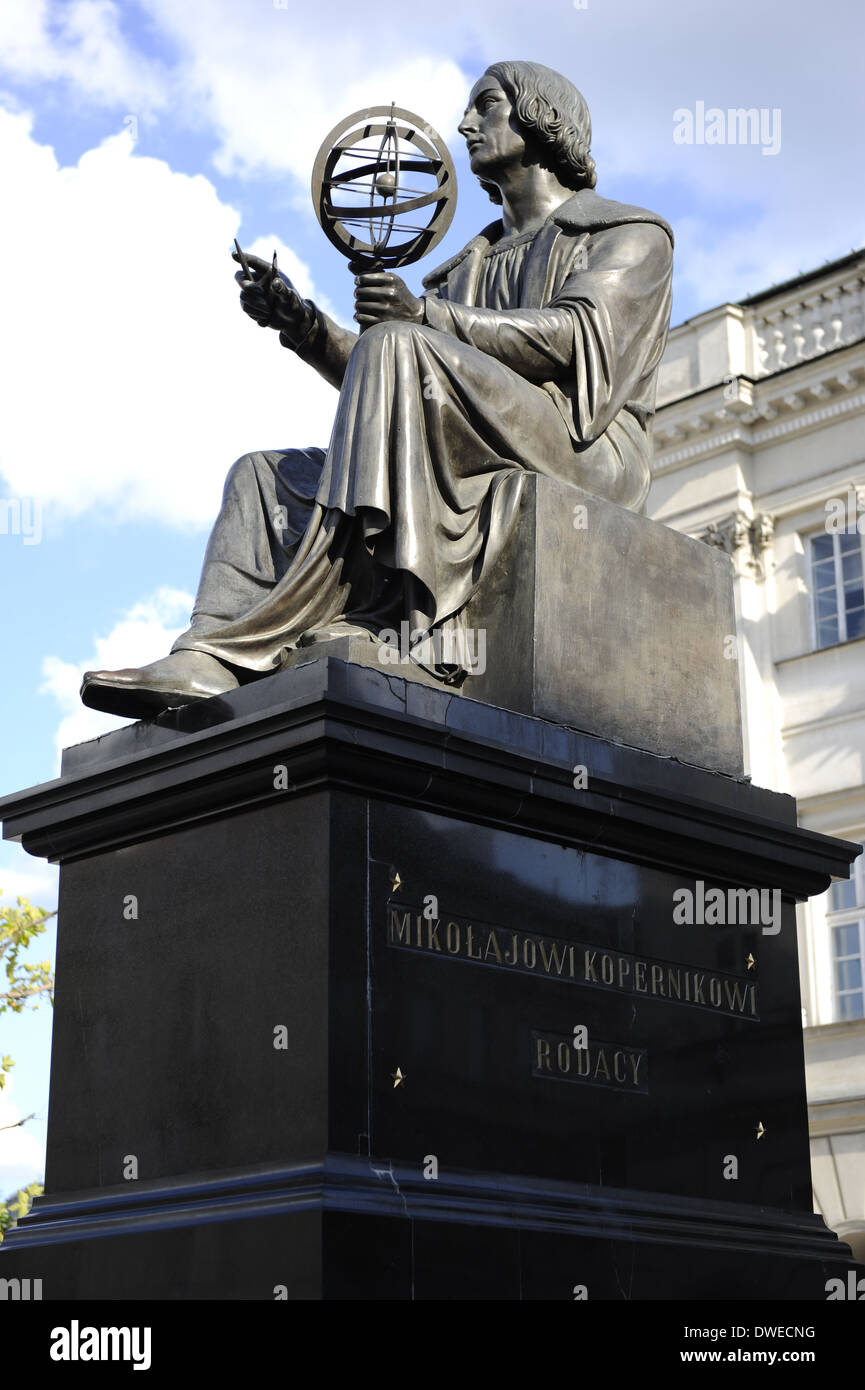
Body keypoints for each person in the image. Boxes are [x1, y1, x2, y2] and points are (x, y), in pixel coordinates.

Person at [81, 60, 674, 719]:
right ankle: (208, 654)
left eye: (486, 106)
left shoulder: (626, 233)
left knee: (397, 344)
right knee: (262, 477)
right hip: (480, 439)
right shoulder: (464, 266)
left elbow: (571, 337)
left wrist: (424, 318)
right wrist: (304, 326)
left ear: (542, 117)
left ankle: (373, 625)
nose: (464, 124)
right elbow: (388, 389)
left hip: (580, 447)